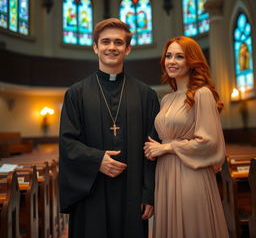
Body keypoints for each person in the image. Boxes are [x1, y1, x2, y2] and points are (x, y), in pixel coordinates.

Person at [59, 18, 160, 238]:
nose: (112, 47)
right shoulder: (76, 94)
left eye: (118, 42)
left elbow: (154, 149)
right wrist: (96, 160)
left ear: (128, 48)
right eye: (105, 42)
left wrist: (149, 194)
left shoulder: (146, 95)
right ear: (95, 47)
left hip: (132, 192)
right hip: (91, 192)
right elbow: (67, 143)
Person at [144, 36, 229, 238]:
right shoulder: (166, 99)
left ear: (192, 62)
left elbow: (210, 143)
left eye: (179, 57)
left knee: (192, 227)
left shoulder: (202, 94)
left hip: (191, 173)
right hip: (164, 174)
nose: (171, 61)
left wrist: (166, 148)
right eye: (169, 56)